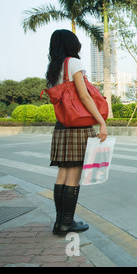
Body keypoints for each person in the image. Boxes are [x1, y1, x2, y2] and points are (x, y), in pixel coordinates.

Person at [46, 29, 108, 236]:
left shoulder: (53, 68)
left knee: (62, 173)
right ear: (72, 44)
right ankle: (67, 223)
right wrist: (102, 122)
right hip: (78, 127)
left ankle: (59, 222)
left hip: (62, 126)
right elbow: (84, 96)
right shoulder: (74, 63)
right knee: (73, 175)